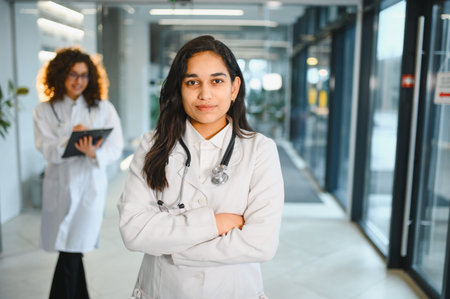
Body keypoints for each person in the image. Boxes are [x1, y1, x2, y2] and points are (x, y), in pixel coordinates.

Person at [118, 35, 284, 299]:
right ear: (179, 89)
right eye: (192, 82)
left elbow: (261, 244)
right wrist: (216, 224)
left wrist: (173, 247)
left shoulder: (260, 150)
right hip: (164, 290)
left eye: (217, 81)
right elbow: (134, 232)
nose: (205, 94)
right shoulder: (152, 145)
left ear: (234, 87)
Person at [33, 47, 123, 299]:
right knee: (71, 250)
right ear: (60, 75)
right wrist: (72, 136)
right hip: (58, 187)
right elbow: (45, 148)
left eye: (84, 75)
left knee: (72, 248)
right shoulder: (44, 111)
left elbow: (115, 147)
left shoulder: (103, 108)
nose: (78, 81)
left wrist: (94, 152)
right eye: (73, 74)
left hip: (89, 188)